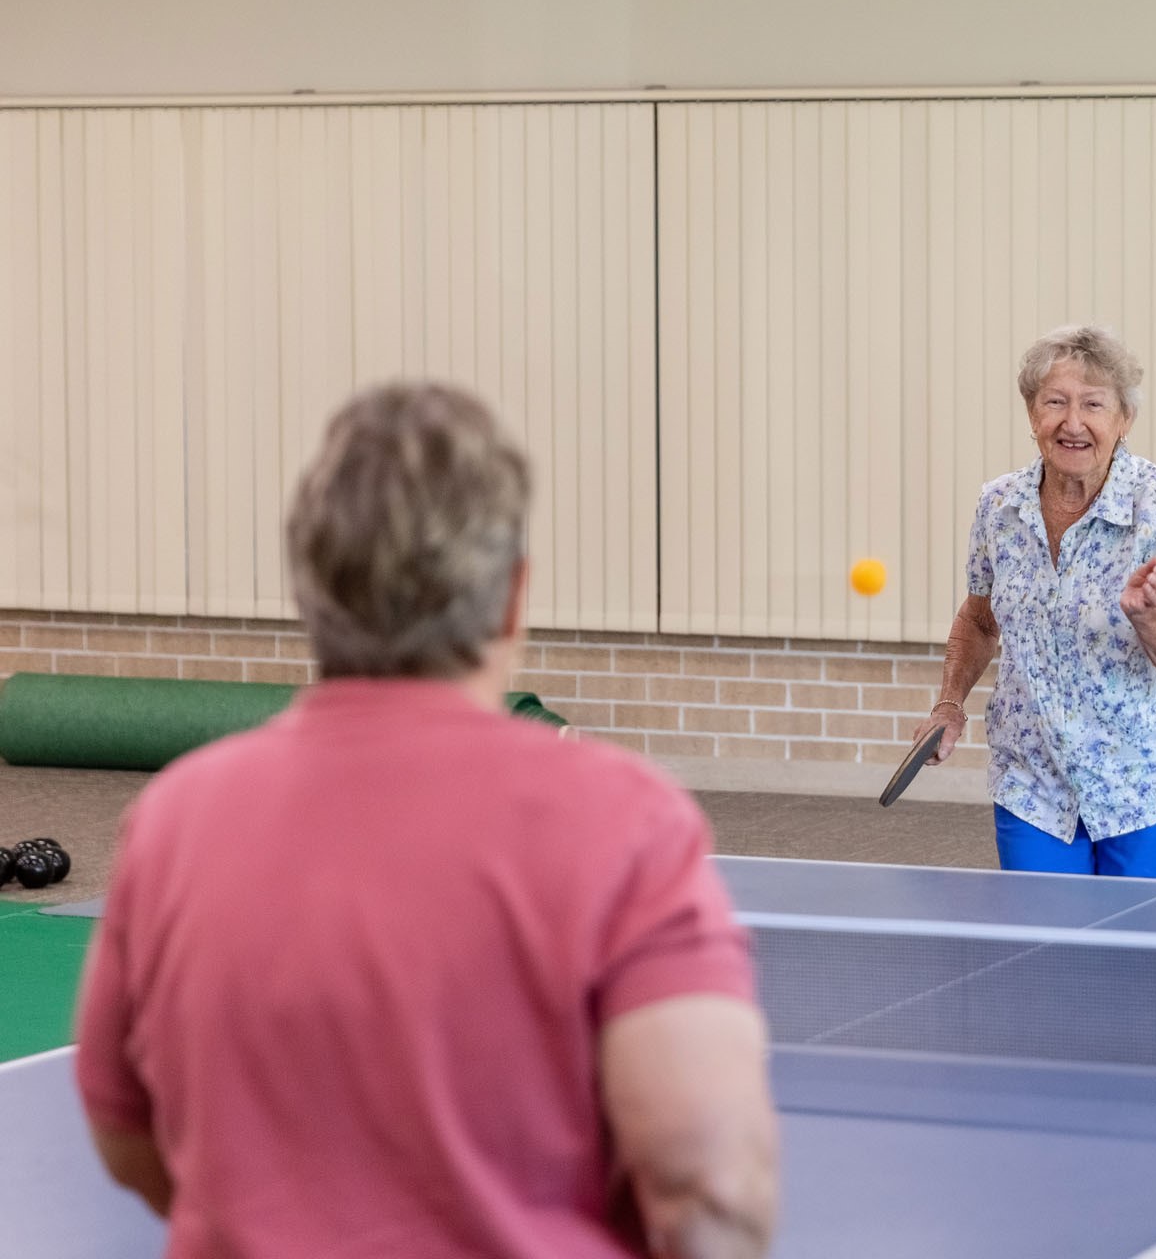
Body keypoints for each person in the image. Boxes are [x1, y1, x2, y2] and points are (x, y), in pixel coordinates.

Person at [74, 383, 778, 1259]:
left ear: (309, 590)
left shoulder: (172, 820)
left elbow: (126, 1137)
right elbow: (709, 1190)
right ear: (513, 597)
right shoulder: (626, 823)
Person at [914, 324, 1156, 879]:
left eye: (1093, 405)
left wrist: (1148, 618)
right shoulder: (999, 506)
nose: (1072, 422)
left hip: (1146, 780)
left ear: (1123, 420)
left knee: (1139, 956)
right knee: (1044, 952)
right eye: (1054, 402)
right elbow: (980, 619)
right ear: (1033, 415)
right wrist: (949, 705)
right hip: (1034, 781)